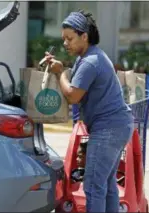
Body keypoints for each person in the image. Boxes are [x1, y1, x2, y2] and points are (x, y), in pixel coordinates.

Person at [45, 10, 134, 213]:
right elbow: (78, 85)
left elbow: (73, 96)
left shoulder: (90, 62)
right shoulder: (90, 56)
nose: (66, 44)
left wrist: (59, 72)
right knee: (108, 186)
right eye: (64, 39)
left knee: (93, 187)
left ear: (84, 36)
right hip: (118, 125)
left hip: (108, 128)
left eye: (70, 38)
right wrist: (61, 69)